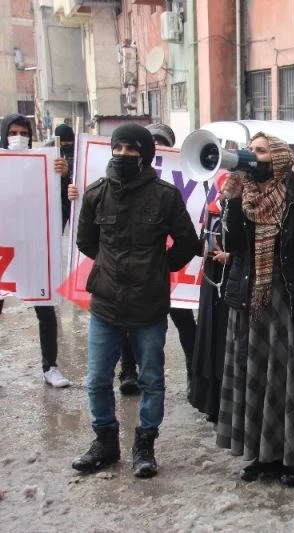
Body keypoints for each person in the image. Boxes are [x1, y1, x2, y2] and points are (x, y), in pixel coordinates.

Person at [72, 123, 199, 478]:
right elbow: (86, 241)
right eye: (119, 147)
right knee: (97, 379)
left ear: (146, 154)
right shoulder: (96, 193)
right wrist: (111, 266)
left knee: (152, 380)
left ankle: (145, 445)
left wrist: (158, 267)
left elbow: (188, 242)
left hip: (148, 306)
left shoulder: (165, 196)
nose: (124, 154)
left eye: (132, 149)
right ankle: (105, 443)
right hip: (106, 304)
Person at [215, 132, 294, 488]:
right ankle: (259, 454)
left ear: (278, 157)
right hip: (249, 296)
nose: (254, 156)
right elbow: (232, 245)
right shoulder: (243, 193)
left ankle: (290, 457)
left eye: (262, 151)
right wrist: (232, 201)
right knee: (252, 375)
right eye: (252, 150)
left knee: (287, 377)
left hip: (286, 297)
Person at [115, 123, 198, 395]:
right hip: (135, 269)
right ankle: (128, 371)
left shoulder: (184, 173)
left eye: (163, 143)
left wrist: (163, 264)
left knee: (184, 320)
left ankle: (194, 373)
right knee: (128, 320)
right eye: (153, 142)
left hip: (169, 268)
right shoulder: (122, 178)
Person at [0, 114, 77, 387]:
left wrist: (63, 175)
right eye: (13, 132)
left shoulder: (43, 163)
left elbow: (62, 203)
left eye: (23, 132)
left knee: (45, 307)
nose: (18, 137)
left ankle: (50, 367)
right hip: (4, 247)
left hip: (34, 246)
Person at [188, 171, 231, 423]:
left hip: (234, 280)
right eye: (222, 188)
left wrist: (232, 257)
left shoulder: (247, 209)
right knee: (209, 335)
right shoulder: (212, 209)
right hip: (212, 279)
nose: (225, 192)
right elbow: (200, 242)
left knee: (227, 339)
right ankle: (209, 401)